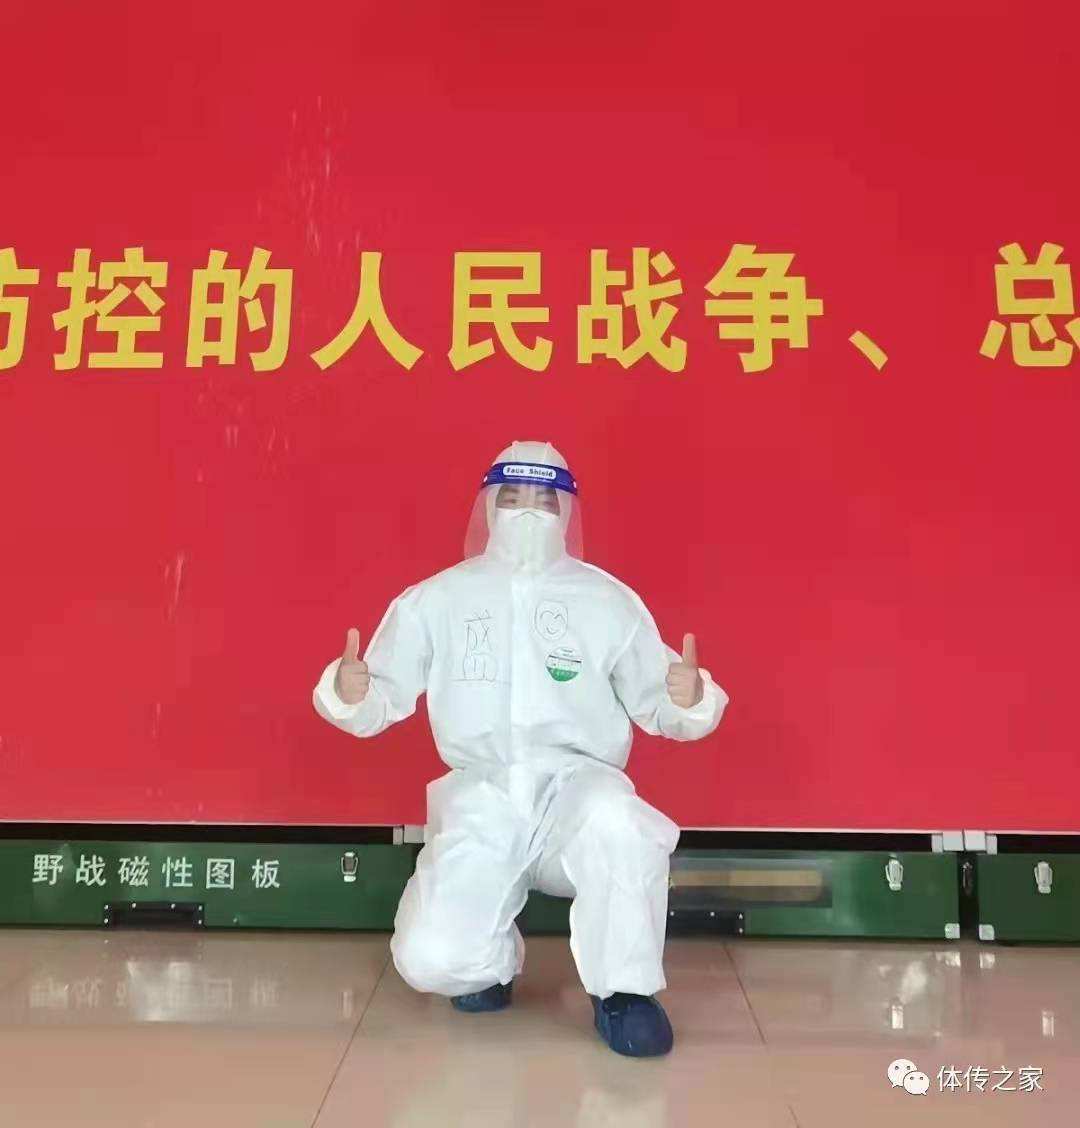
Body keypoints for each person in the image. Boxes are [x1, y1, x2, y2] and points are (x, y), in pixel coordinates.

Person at [313, 441, 727, 1056]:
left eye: (544, 499)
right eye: (512, 497)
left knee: (623, 827)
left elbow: (660, 701)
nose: (528, 512)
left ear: (567, 510)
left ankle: (625, 992)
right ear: (489, 505)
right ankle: (489, 963)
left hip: (578, 792)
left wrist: (690, 697)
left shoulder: (606, 601)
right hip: (484, 795)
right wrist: (349, 691)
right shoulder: (438, 599)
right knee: (429, 958)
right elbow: (380, 695)